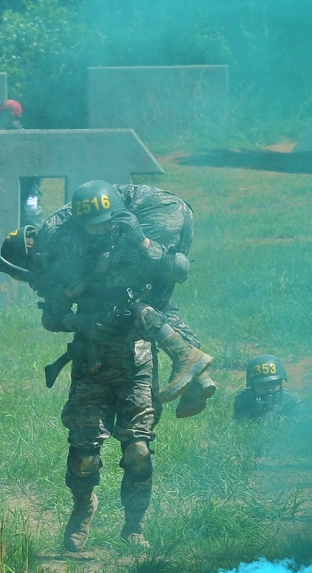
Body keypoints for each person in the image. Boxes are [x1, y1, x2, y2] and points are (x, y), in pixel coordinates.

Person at [30, 180, 215, 552]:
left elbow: (175, 270)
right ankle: (82, 508)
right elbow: (51, 314)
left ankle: (135, 526)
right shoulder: (71, 251)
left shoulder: (141, 241)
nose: (98, 230)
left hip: (137, 357)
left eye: (105, 222)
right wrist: (76, 321)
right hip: (91, 360)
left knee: (138, 451)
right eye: (91, 224)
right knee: (83, 456)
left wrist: (141, 240)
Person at [233, 355, 303, 421]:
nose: (268, 389)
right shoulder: (244, 399)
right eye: (261, 385)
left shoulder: (292, 401)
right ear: (252, 386)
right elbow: (239, 420)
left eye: (272, 384)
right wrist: (254, 411)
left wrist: (275, 416)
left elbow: (297, 422)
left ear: (280, 382)